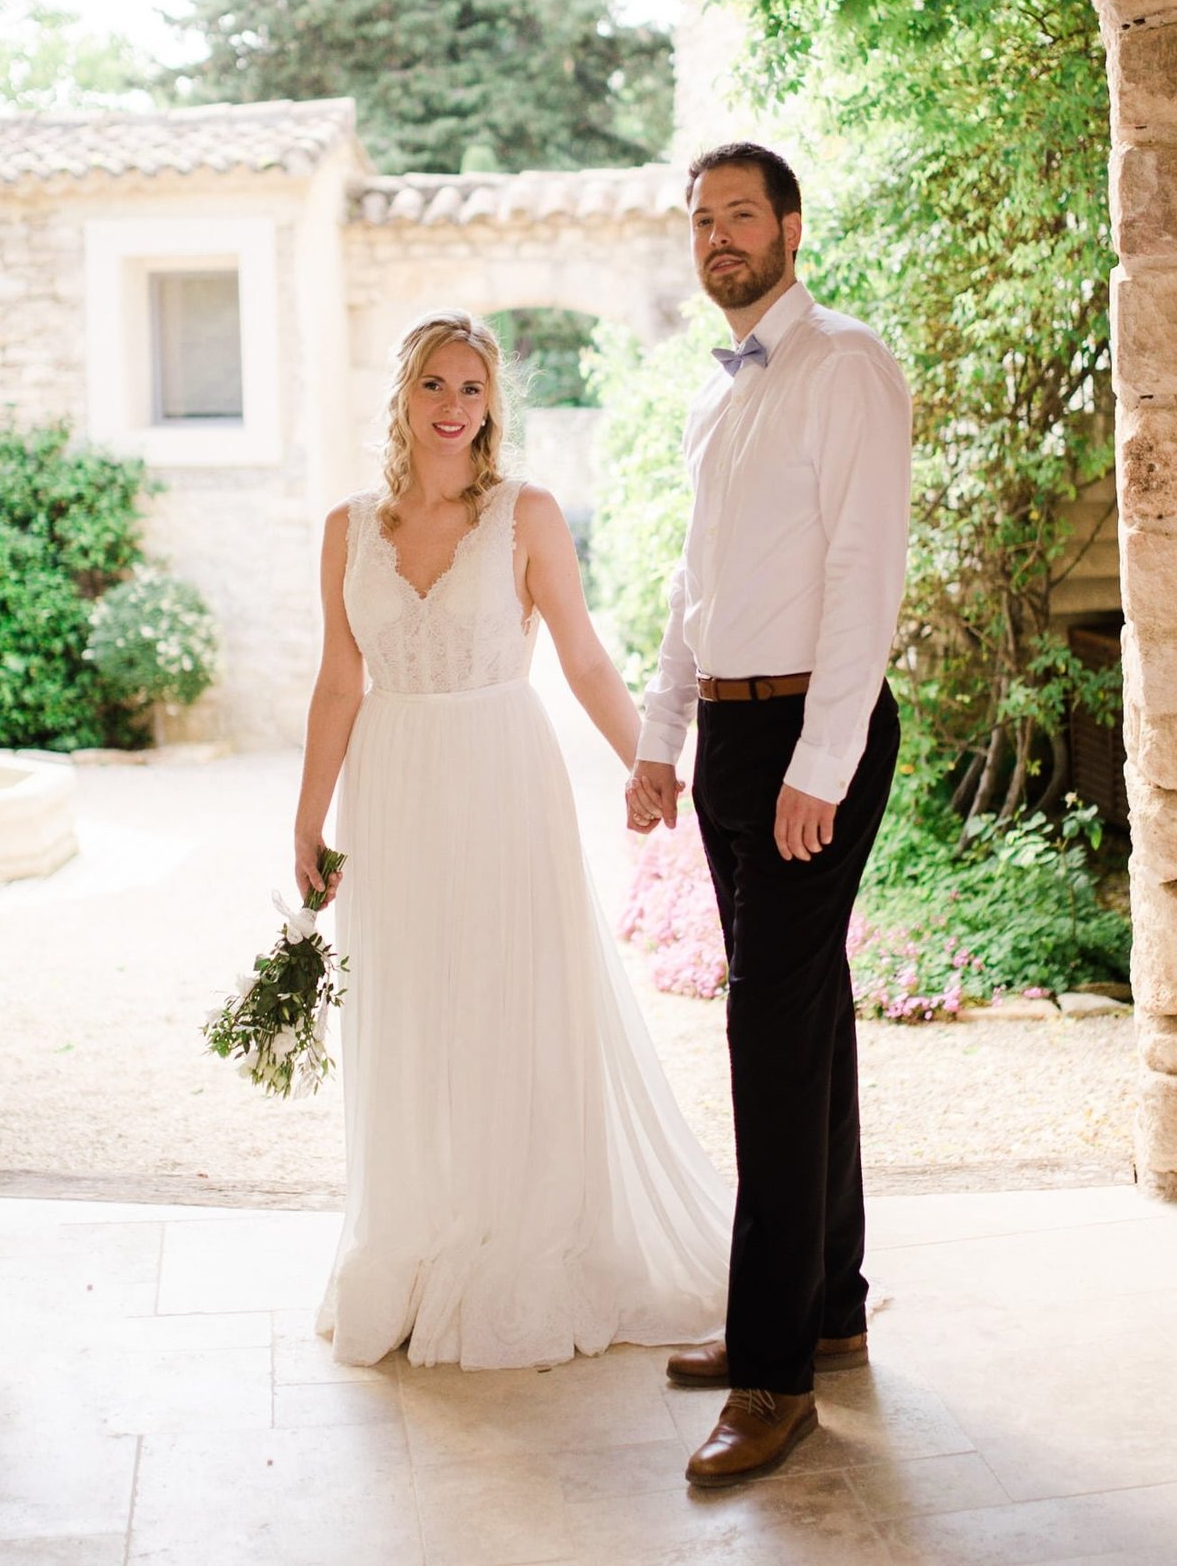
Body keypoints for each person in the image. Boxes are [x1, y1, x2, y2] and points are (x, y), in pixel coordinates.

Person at [295, 308, 731, 1371]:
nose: (453, 407)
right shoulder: (348, 528)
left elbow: (581, 655)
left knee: (508, 1000)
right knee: (410, 1008)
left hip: (501, 777)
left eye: (472, 389)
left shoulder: (525, 513)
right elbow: (340, 678)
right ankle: (414, 1239)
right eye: (435, 385)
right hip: (390, 792)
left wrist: (651, 761)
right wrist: (306, 820)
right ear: (404, 393)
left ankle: (521, 1243)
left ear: (494, 404)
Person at [626, 142, 912, 1486]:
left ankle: (771, 1371)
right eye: (702, 220)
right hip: (735, 730)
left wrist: (827, 758)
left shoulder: (844, 365)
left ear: (790, 226)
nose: (719, 236)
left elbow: (865, 571)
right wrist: (659, 736)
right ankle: (828, 1303)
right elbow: (696, 584)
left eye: (740, 213)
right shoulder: (715, 395)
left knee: (765, 1031)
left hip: (814, 732)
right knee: (804, 1011)